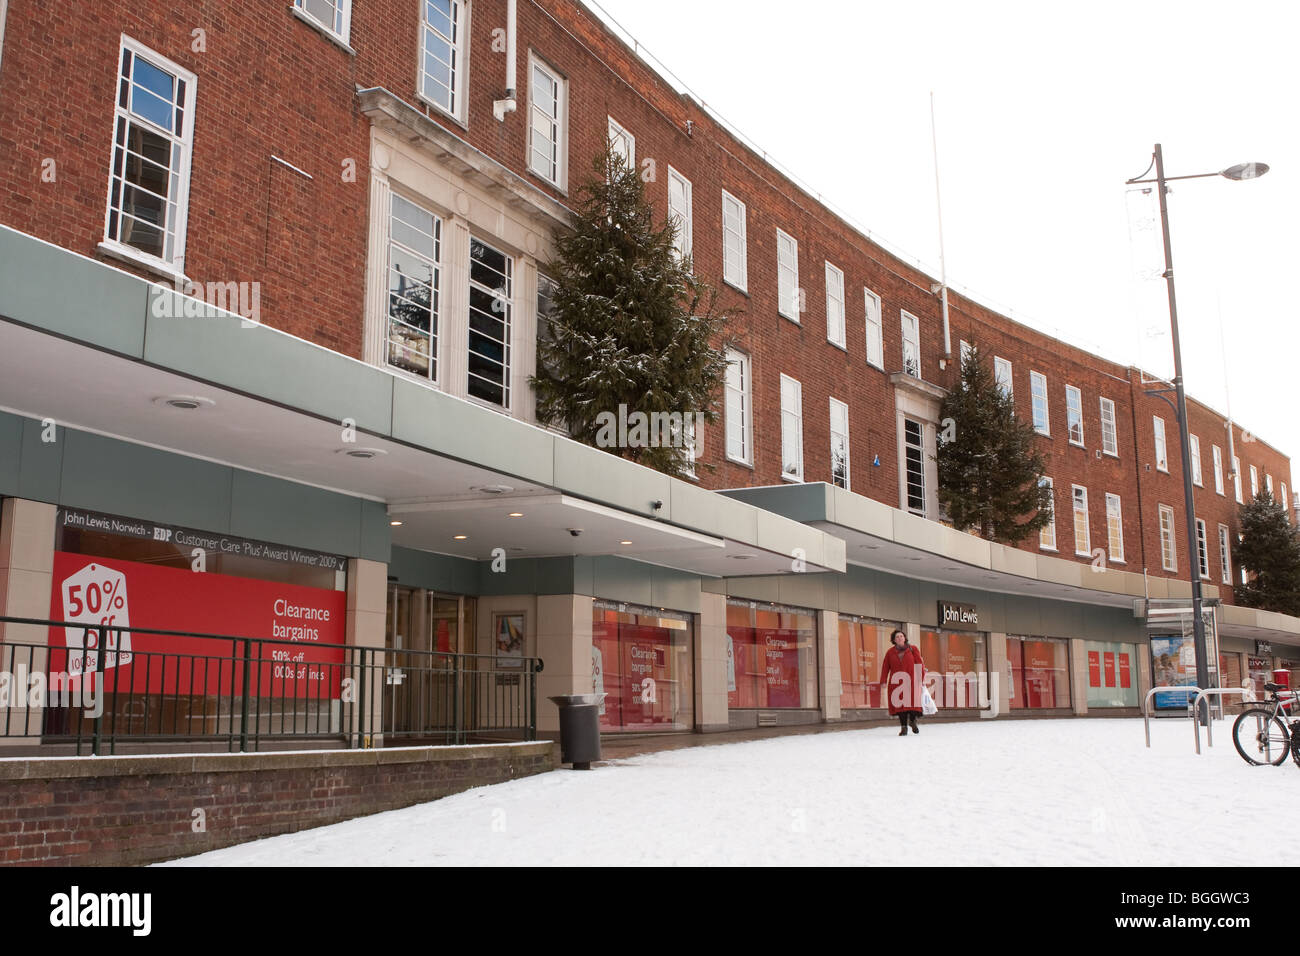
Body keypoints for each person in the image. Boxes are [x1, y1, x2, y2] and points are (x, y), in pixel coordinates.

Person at [879, 628, 926, 735]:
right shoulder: (890, 652)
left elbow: (919, 664)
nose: (900, 638)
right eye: (897, 637)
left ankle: (912, 721)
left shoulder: (913, 649)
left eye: (901, 636)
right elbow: (885, 667)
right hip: (897, 682)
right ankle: (904, 727)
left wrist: (921, 678)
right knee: (900, 707)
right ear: (894, 640)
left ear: (904, 638)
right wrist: (883, 680)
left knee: (913, 704)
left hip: (912, 681)